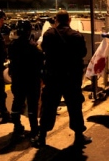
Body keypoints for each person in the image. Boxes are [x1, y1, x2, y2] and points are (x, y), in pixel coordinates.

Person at [34, 10, 92, 148]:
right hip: (71, 78)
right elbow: (83, 53)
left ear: (56, 20)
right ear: (69, 20)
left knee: (48, 107)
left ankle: (42, 137)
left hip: (53, 77)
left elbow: (43, 50)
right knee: (75, 107)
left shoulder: (49, 34)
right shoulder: (76, 36)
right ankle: (79, 136)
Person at [7, 20, 44, 143]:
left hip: (18, 79)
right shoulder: (33, 48)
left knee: (17, 102)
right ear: (29, 31)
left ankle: (17, 127)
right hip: (31, 80)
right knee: (32, 104)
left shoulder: (12, 46)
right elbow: (40, 64)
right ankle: (34, 129)